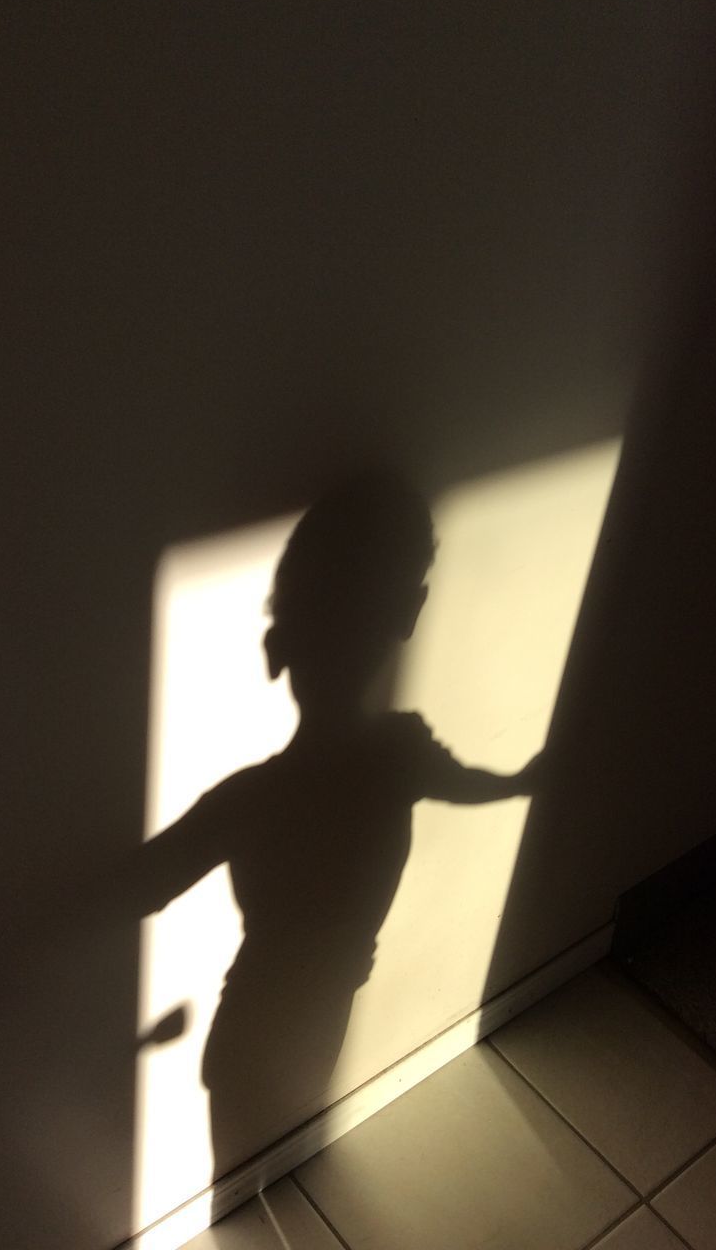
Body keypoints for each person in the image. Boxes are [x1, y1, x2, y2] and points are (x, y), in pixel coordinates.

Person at [130, 471, 545, 1180]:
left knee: (277, 1164)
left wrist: (521, 780)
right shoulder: (373, 762)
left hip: (300, 1020)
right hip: (267, 1033)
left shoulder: (382, 759)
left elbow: (143, 882)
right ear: (408, 616)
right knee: (259, 1172)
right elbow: (143, 883)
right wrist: (521, 781)